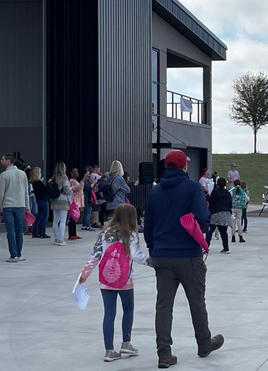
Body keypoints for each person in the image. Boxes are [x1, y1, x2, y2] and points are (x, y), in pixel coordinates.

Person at [144, 150, 224, 368]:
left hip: (162, 255)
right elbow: (202, 218)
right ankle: (204, 343)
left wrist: (153, 248)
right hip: (188, 254)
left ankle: (164, 353)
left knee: (163, 305)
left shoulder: (155, 191)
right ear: (183, 167)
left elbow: (148, 225)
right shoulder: (192, 188)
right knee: (197, 302)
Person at [79, 204, 150, 362]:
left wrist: (84, 274)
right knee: (128, 310)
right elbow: (137, 256)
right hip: (125, 280)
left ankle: (109, 350)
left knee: (109, 313)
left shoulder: (105, 233)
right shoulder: (130, 235)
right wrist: (151, 262)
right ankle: (126, 342)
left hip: (106, 279)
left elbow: (95, 254)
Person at [0, 153, 30, 262]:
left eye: (2, 159)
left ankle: (13, 255)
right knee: (19, 230)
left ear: (8, 161)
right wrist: (27, 206)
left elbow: (1, 193)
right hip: (20, 205)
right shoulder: (22, 174)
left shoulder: (4, 175)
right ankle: (19, 254)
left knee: (10, 230)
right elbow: (26, 192)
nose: (1, 161)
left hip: (8, 206)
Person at [206, 177, 232, 254]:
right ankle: (226, 248)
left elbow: (210, 201)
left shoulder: (215, 192)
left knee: (210, 231)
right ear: (225, 184)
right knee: (224, 232)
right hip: (225, 213)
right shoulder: (227, 192)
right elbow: (230, 203)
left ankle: (206, 247)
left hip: (216, 213)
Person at [50, 162, 72, 246]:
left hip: (55, 200)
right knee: (63, 220)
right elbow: (66, 190)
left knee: (55, 220)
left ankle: (56, 238)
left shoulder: (54, 177)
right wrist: (71, 188)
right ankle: (61, 239)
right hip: (63, 200)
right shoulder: (64, 177)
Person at [30, 167, 50, 239]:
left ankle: (35, 232)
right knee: (45, 216)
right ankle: (42, 232)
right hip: (44, 200)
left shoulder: (34, 183)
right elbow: (46, 190)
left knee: (39, 216)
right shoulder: (39, 182)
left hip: (38, 199)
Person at [229, 179, 248, 244]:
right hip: (240, 207)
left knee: (233, 222)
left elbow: (229, 197)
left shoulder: (232, 191)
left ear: (233, 184)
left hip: (233, 207)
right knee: (239, 221)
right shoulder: (242, 191)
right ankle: (240, 236)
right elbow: (247, 198)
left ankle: (233, 236)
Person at [68, 168, 85, 241]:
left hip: (77, 201)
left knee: (75, 218)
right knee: (73, 217)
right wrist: (83, 180)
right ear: (71, 173)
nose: (77, 173)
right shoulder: (72, 181)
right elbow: (78, 189)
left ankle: (74, 233)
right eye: (75, 171)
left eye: (77, 171)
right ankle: (71, 234)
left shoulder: (76, 181)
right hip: (74, 201)